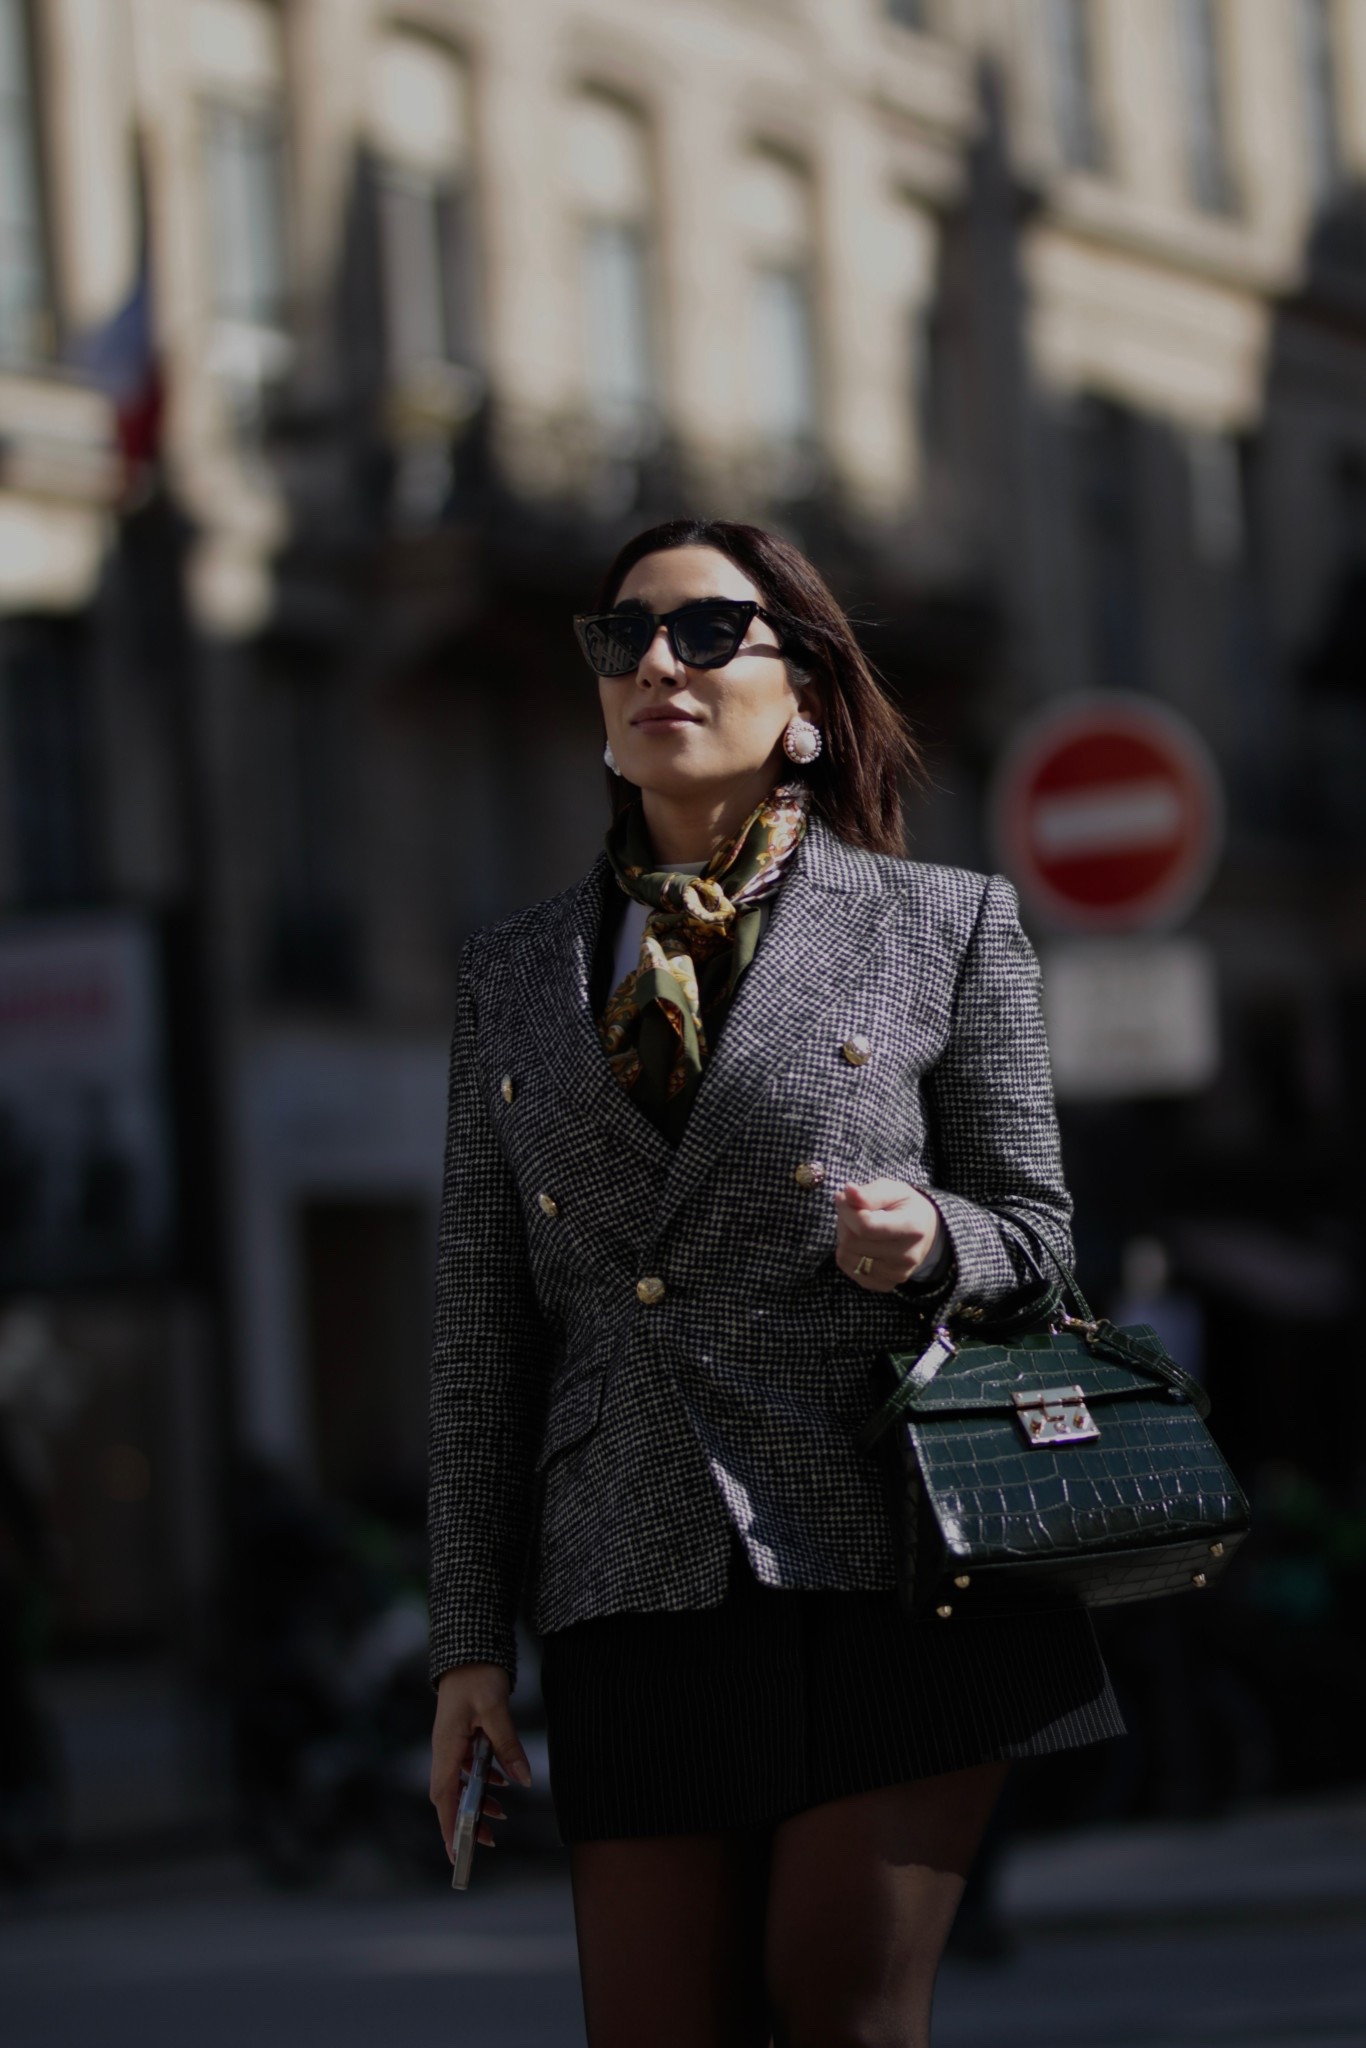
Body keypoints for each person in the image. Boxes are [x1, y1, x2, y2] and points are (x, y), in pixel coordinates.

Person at [427, 518, 1122, 2047]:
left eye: (703, 632)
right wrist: (466, 1643)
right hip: (628, 1580)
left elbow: (1037, 1238)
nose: (654, 666)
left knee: (838, 2012)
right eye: (621, 637)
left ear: (801, 692)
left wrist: (931, 1239)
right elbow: (482, 1330)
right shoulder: (511, 976)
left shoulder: (940, 925)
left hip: (893, 1558)